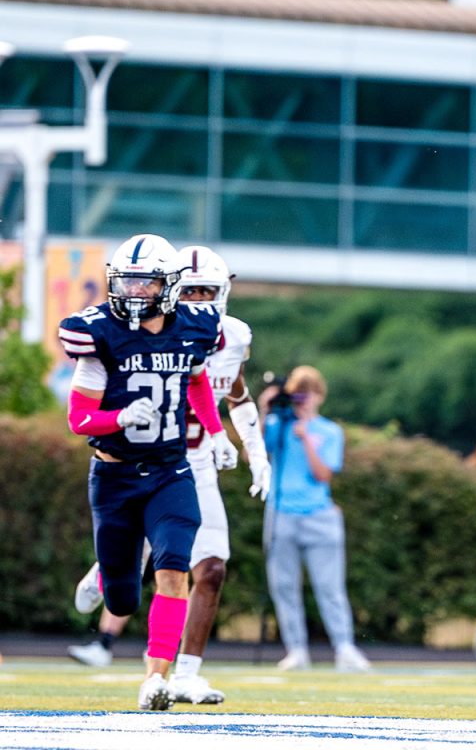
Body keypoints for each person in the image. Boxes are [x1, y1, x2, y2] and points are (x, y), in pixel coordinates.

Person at [68, 246, 273, 707]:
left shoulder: (230, 336)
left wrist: (252, 452)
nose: (199, 299)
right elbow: (82, 407)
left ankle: (179, 674)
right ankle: (109, 570)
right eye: (192, 289)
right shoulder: (134, 331)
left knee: (207, 568)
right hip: (134, 461)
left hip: (188, 463)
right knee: (131, 572)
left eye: (208, 291)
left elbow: (233, 393)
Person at [257, 366, 370, 672]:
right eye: (297, 395)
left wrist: (306, 437)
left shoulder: (329, 431)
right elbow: (254, 456)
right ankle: (296, 649)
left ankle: (344, 647)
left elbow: (323, 474)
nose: (302, 402)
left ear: (319, 396)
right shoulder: (278, 425)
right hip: (281, 514)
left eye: (308, 395)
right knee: (284, 586)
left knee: (329, 586)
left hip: (319, 516)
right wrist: (264, 412)